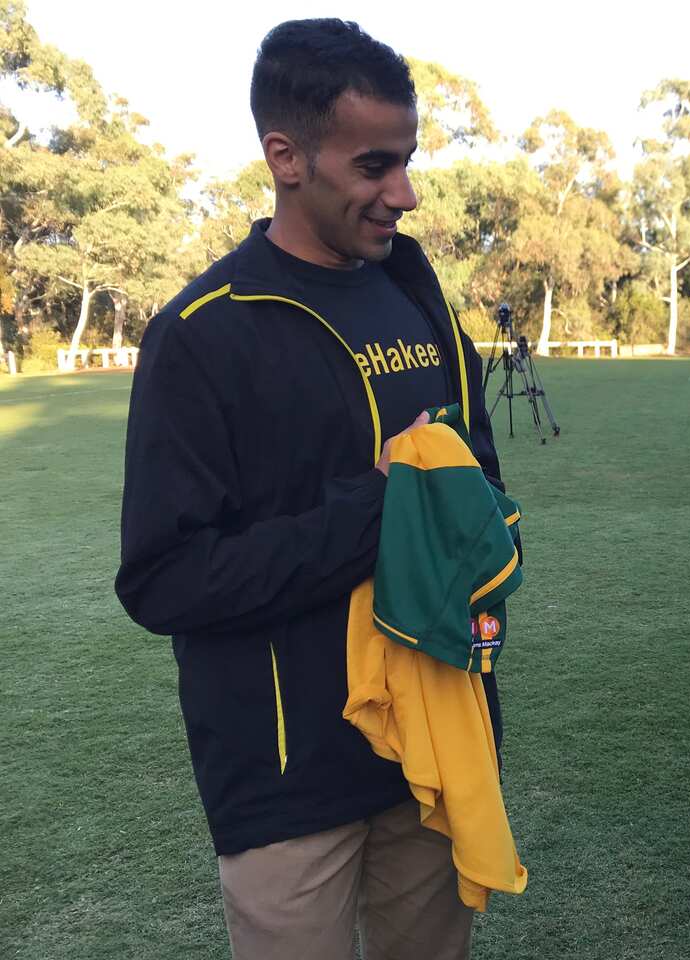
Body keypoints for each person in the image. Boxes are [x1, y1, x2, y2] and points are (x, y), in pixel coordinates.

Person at [115, 19, 503, 960]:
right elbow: (164, 578)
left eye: (407, 162)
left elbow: (483, 487)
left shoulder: (415, 294)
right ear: (285, 157)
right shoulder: (205, 332)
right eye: (375, 166)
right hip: (289, 778)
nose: (402, 194)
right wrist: (380, 507)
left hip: (435, 743)